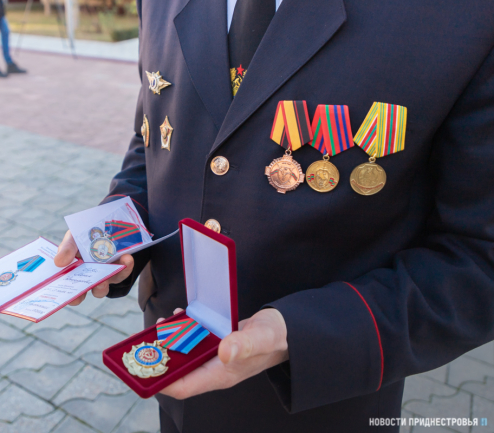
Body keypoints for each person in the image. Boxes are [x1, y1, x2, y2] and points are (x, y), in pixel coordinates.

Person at [54, 0, 494, 431]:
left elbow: (478, 259)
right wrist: (115, 226)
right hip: (171, 359)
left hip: (319, 400)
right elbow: (153, 134)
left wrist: (299, 336)